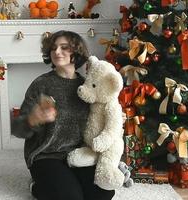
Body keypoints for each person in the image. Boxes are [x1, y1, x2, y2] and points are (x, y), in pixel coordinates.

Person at [12, 30, 115, 200]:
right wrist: (33, 118)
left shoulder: (87, 88)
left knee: (103, 193)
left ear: (76, 51)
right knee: (71, 197)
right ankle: (37, 188)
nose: (57, 52)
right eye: (53, 48)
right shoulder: (41, 84)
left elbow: (98, 120)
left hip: (78, 155)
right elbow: (17, 129)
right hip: (45, 155)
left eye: (64, 47)